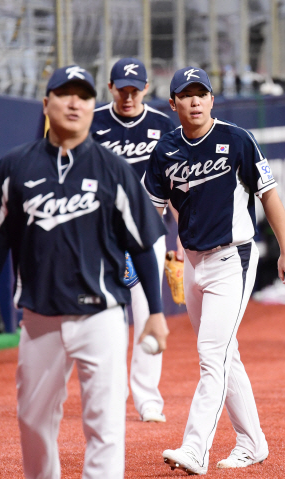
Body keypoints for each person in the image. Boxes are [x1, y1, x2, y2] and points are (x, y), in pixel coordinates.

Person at [0, 65, 169, 479]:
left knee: (106, 425)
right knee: (33, 421)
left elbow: (143, 245)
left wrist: (155, 311)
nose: (74, 102)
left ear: (91, 107)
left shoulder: (113, 169)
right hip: (40, 317)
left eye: (82, 95)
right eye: (64, 94)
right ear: (46, 104)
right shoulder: (14, 166)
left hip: (102, 316)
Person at [144, 67, 285, 475]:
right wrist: (147, 253)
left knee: (211, 354)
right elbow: (153, 213)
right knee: (225, 354)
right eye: (186, 95)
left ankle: (195, 449)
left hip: (234, 258)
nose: (195, 101)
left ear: (212, 100)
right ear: (173, 102)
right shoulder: (165, 150)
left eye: (202, 94)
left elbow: (269, 196)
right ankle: (253, 441)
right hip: (195, 262)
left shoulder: (237, 139)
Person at [91, 57, 177, 423]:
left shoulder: (161, 124)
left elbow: (175, 182)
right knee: (105, 313)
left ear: (145, 88)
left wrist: (182, 235)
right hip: (100, 233)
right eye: (121, 89)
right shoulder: (92, 122)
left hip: (147, 230)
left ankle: (147, 397)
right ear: (110, 87)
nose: (128, 96)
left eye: (134, 89)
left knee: (147, 310)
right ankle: (110, 393)